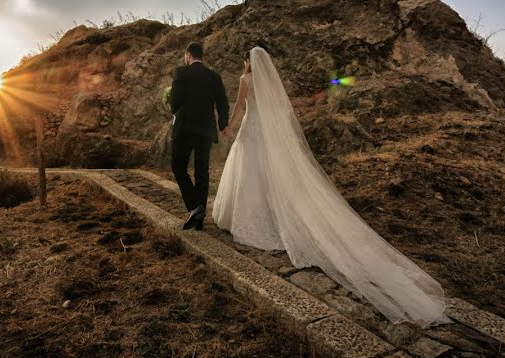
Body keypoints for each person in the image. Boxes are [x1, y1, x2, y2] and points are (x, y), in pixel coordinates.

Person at [212, 46, 451, 327]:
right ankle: (274, 217)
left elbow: (240, 106)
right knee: (266, 175)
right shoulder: (270, 82)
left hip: (251, 130)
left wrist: (228, 126)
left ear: (247, 62)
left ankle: (248, 219)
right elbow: (281, 109)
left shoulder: (246, 80)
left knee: (249, 173)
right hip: (267, 133)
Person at [169, 42, 229, 231]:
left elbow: (175, 101)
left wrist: (171, 103)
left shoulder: (181, 72)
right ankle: (199, 218)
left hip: (185, 128)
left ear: (188, 55)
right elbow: (222, 104)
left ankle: (195, 208)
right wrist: (223, 125)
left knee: (178, 166)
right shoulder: (214, 76)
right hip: (205, 130)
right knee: (202, 172)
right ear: (201, 56)